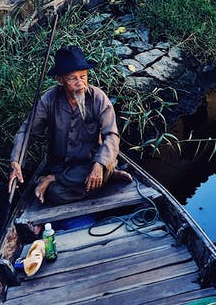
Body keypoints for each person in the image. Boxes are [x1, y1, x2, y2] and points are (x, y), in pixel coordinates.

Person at [8, 45, 132, 205]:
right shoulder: (49, 100)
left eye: (83, 76)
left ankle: (100, 174)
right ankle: (105, 179)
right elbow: (27, 131)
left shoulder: (98, 98)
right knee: (55, 193)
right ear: (60, 80)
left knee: (103, 164)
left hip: (91, 163)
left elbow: (112, 136)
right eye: (73, 78)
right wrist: (15, 161)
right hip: (61, 166)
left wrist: (100, 164)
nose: (80, 83)